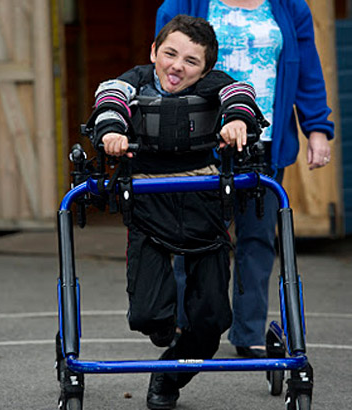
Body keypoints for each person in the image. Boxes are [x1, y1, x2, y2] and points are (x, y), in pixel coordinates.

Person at [89, 14, 266, 409]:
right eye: (169, 54)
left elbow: (240, 93)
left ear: (205, 68)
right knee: (149, 316)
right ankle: (163, 328)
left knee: (211, 320)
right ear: (154, 51)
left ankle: (169, 376)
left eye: (191, 61)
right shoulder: (132, 81)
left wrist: (237, 119)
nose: (176, 66)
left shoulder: (214, 84)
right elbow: (109, 98)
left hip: (202, 199)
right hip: (149, 202)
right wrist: (112, 132)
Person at [155, 0, 335, 359]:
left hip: (263, 144)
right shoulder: (184, 3)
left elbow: (308, 69)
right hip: (201, 141)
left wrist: (317, 128)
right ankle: (185, 325)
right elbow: (163, 66)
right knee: (193, 236)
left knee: (258, 240)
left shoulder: (288, 6)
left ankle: (249, 333)